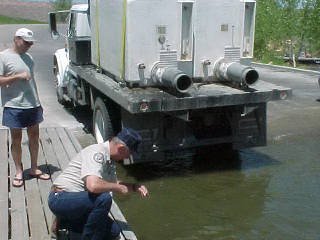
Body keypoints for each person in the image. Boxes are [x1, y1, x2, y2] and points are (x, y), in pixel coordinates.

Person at [48, 127, 149, 240]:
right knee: (103, 198)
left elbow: (111, 183)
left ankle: (65, 222)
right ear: (121, 148)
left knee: (113, 231)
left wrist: (135, 187)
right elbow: (93, 186)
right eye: (128, 154)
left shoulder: (109, 159)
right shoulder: (97, 153)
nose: (126, 158)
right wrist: (117, 187)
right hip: (61, 198)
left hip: (79, 202)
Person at [0, 28, 49, 187]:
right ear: (16, 39)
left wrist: (38, 101)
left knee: (34, 137)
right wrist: (17, 76)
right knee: (16, 139)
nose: (28, 46)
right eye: (25, 42)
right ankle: (18, 171)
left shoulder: (29, 57)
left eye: (30, 43)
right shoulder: (3, 57)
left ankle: (34, 168)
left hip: (32, 105)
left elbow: (32, 81)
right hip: (13, 105)